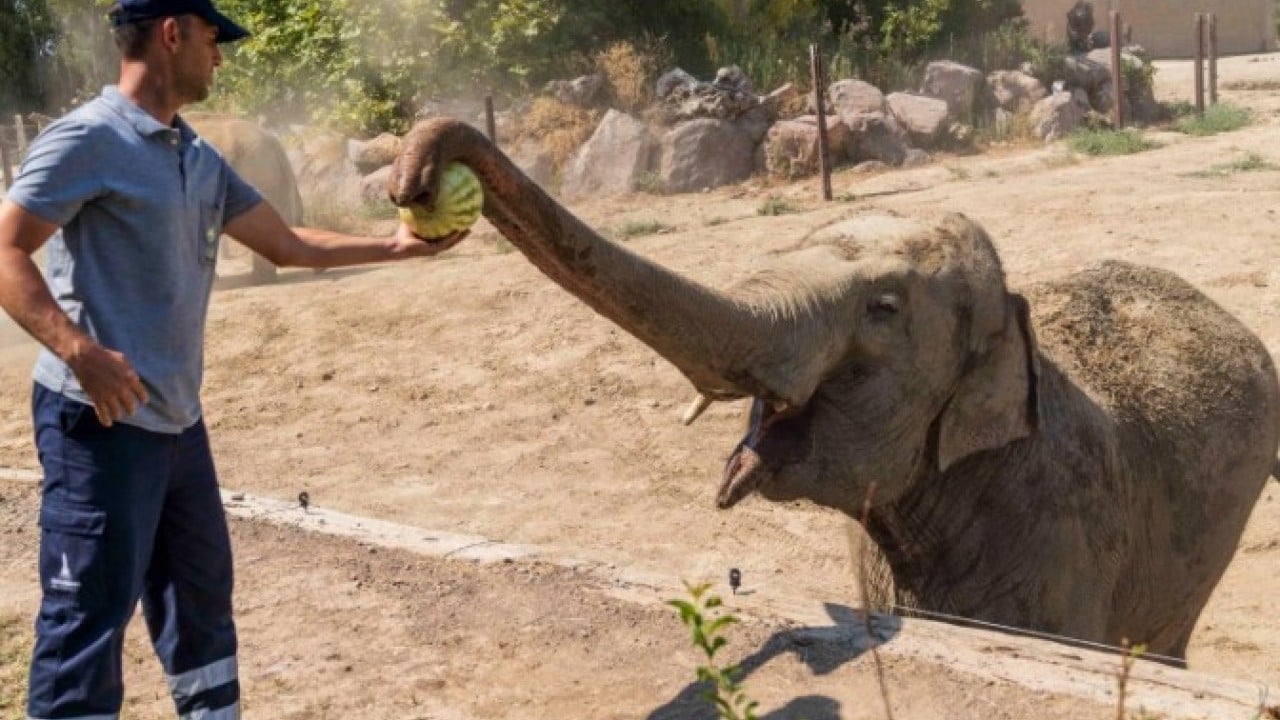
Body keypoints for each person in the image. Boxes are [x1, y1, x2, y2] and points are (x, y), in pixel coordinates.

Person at [0, 1, 464, 718]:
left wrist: (400, 246)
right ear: (171, 32)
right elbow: (5, 249)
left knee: (199, 599)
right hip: (97, 426)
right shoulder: (86, 139)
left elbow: (288, 245)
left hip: (179, 425)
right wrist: (77, 350)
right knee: (86, 622)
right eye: (214, 37)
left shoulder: (193, 154)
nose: (221, 55)